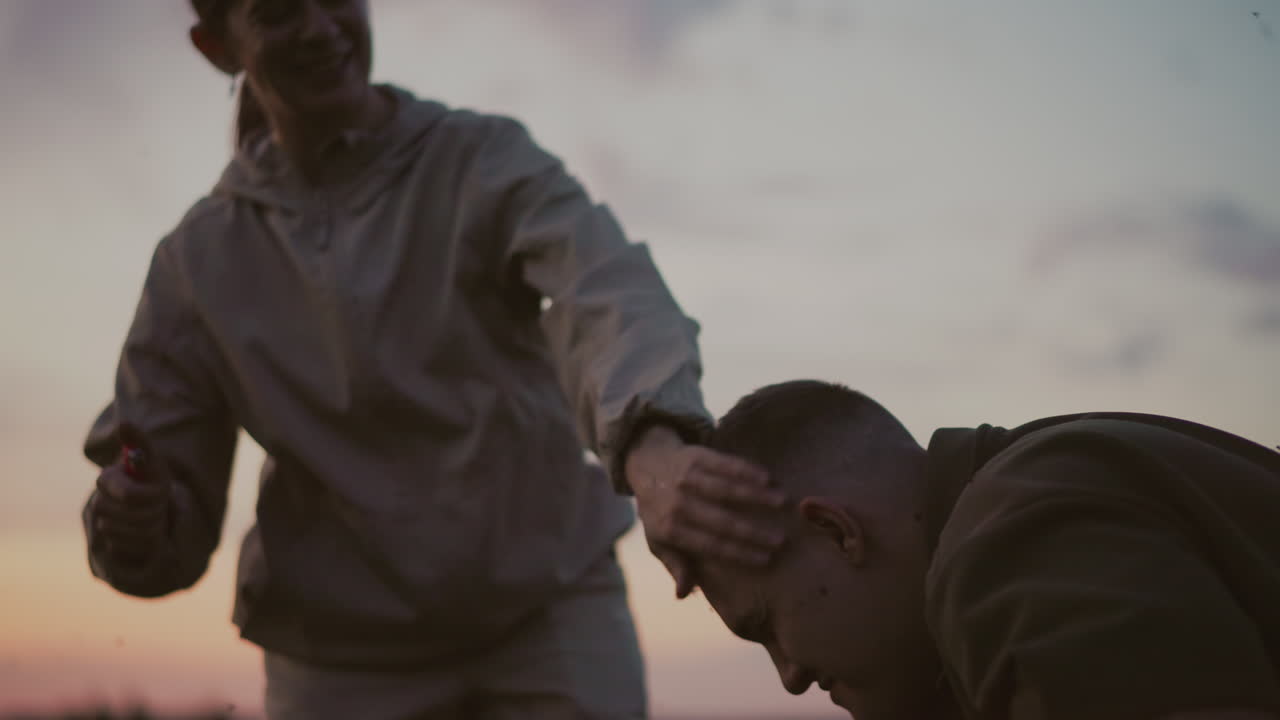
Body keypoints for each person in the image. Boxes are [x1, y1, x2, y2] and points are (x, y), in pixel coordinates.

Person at [80, 2, 787, 718]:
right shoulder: (196, 262)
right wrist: (135, 519)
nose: (321, 28)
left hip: (547, 611)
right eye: (277, 11)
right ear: (216, 46)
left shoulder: (479, 159)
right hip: (338, 656)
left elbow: (602, 286)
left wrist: (652, 442)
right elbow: (158, 515)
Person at [693, 379, 1280, 720]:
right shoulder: (1037, 482)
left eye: (766, 626)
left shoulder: (1006, 537)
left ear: (834, 531)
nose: (789, 677)